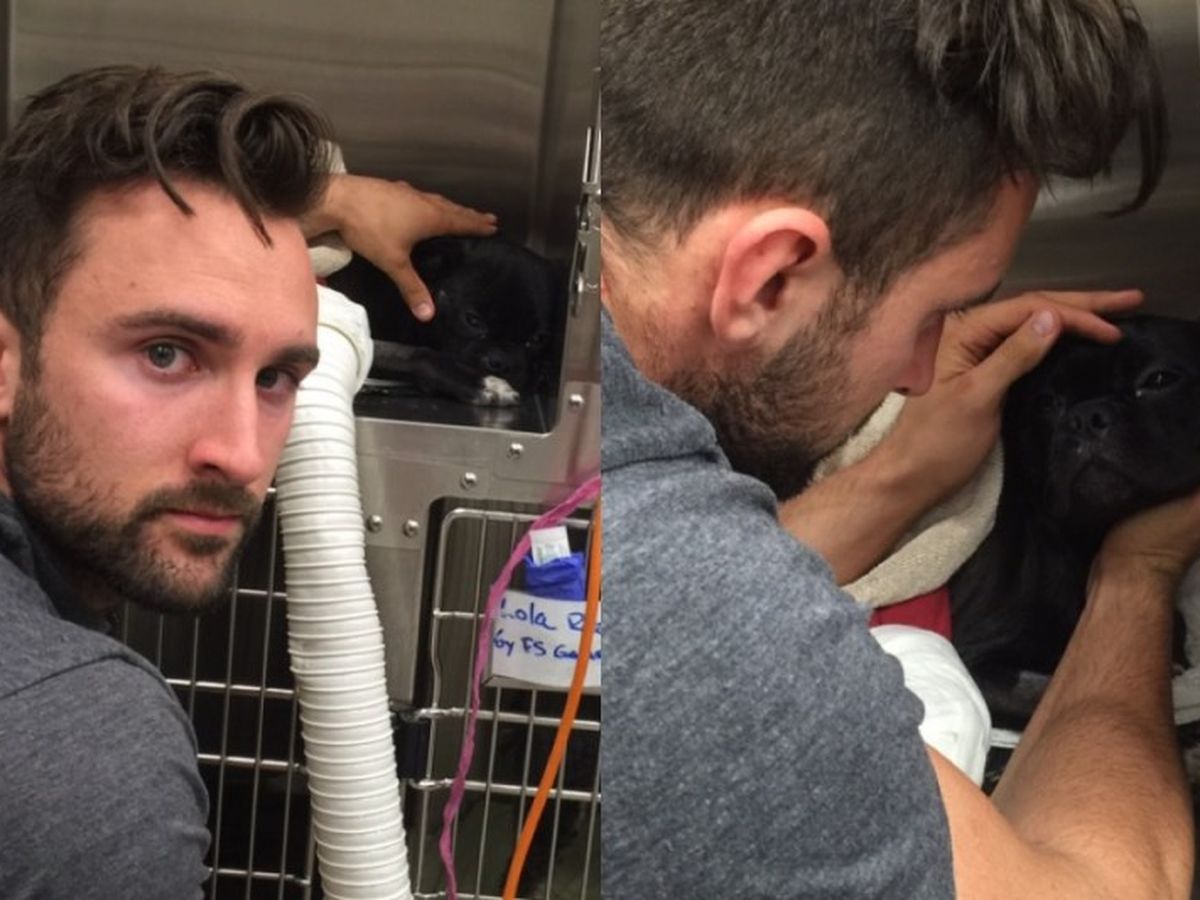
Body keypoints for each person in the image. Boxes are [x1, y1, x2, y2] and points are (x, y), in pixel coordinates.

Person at [600, 2, 1199, 898]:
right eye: (933, 315)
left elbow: (664, 600)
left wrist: (900, 475)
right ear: (772, 276)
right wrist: (1138, 575)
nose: (922, 376)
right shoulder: (736, 656)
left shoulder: (557, 376)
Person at [0, 65, 494, 898]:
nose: (239, 454)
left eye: (276, 378)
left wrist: (338, 199)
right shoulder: (82, 751)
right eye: (166, 355)